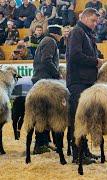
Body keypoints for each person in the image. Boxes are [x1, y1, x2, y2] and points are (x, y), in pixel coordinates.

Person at [66, 8, 104, 165]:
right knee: (78, 118)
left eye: (96, 21)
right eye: (93, 20)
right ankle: (78, 154)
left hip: (86, 81)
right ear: (85, 18)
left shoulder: (87, 34)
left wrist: (98, 58)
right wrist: (95, 61)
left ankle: (84, 150)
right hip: (77, 81)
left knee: (85, 117)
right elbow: (75, 55)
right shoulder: (77, 32)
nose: (95, 24)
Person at [31, 25, 63, 154]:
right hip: (45, 82)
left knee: (44, 113)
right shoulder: (50, 41)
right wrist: (56, 74)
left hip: (41, 80)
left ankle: (44, 142)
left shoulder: (46, 40)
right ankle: (40, 145)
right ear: (56, 34)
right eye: (60, 34)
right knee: (43, 114)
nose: (61, 37)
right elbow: (46, 60)